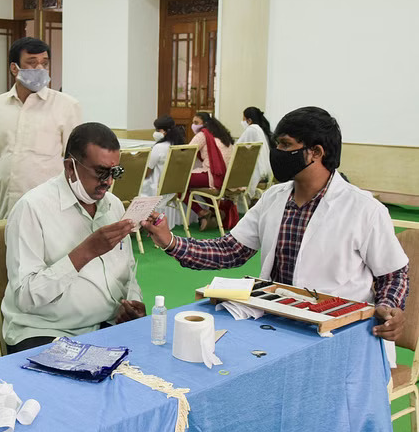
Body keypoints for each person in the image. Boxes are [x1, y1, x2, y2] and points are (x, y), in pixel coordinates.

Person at [143, 106, 409, 350]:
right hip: (277, 323)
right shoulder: (274, 198)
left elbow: (394, 275)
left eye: (285, 145)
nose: (277, 153)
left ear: (316, 152)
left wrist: (389, 307)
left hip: (338, 333)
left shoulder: (364, 209)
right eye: (277, 143)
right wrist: (170, 241)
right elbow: (230, 250)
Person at [2, 122, 144, 354]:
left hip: (104, 325)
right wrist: (85, 252)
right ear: (70, 167)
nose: (108, 182)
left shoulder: (113, 206)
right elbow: (26, 297)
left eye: (114, 172)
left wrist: (131, 303)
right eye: (100, 172)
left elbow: (127, 270)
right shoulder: (32, 209)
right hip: (47, 330)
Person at [0, 37, 82, 234]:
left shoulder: (66, 106)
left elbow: (77, 166)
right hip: (8, 210)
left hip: (53, 212)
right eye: (32, 62)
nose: (40, 68)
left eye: (44, 63)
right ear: (14, 68)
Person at [186, 111, 235, 230]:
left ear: (205, 123)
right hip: (227, 177)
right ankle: (215, 210)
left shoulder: (203, 134)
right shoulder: (223, 135)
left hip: (213, 175)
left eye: (196, 122)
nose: (193, 125)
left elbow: (187, 152)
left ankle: (201, 212)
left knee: (177, 182)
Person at [141, 115, 186, 197]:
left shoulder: (159, 147)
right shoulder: (180, 146)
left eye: (157, 130)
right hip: (175, 188)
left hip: (157, 189)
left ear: (165, 131)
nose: (155, 132)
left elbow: (147, 171)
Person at [238, 106, 273, 197]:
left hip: (256, 174)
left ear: (249, 120)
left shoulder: (251, 129)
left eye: (243, 119)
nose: (242, 122)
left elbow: (238, 150)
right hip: (266, 174)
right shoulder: (261, 130)